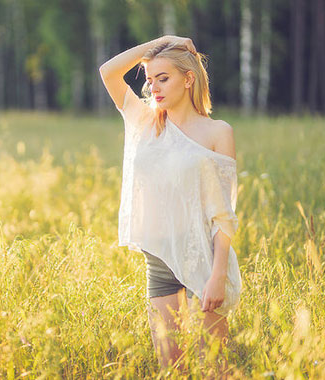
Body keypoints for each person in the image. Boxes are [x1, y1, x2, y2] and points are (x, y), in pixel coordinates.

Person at [98, 35, 242, 375]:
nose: (154, 88)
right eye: (150, 81)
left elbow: (224, 213)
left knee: (214, 369)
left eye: (163, 78)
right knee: (170, 369)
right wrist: (163, 42)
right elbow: (108, 72)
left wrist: (218, 275)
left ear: (188, 78)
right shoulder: (147, 123)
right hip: (159, 261)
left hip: (203, 259)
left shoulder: (218, 132)